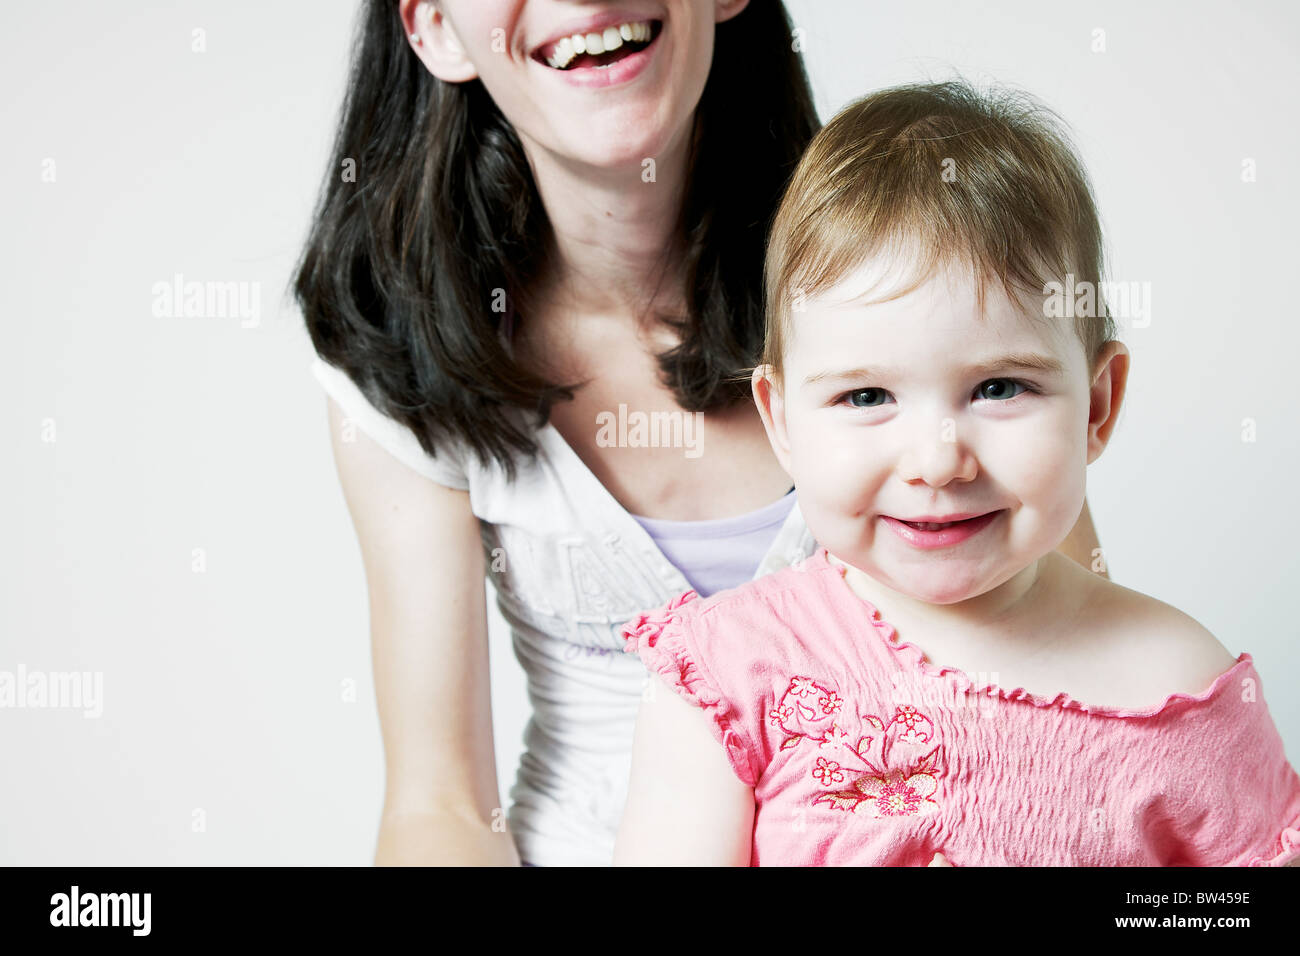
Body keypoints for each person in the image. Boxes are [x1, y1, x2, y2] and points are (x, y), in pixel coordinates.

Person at [295, 2, 1106, 866]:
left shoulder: (909, 257)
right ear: (436, 28)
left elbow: (1068, 677)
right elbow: (440, 807)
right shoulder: (403, 363)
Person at [615, 80, 1300, 866]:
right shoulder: (731, 675)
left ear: (1097, 407)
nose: (938, 460)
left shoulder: (1175, 682)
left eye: (999, 388)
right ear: (782, 423)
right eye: (866, 395)